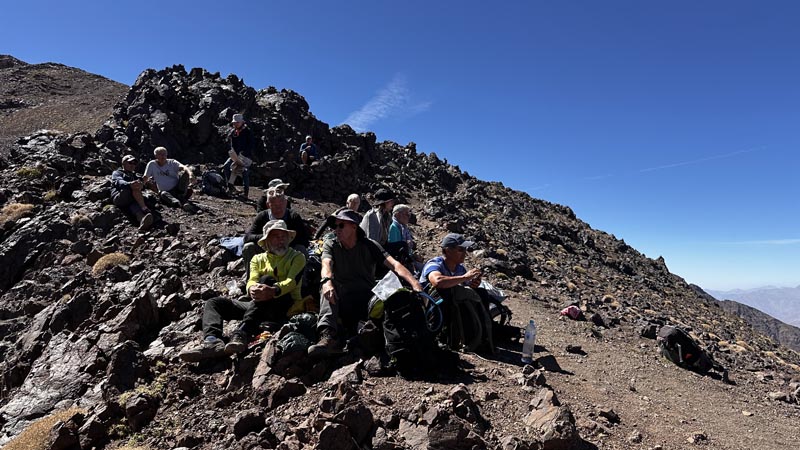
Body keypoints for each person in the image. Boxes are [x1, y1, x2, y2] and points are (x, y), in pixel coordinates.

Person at [179, 220, 306, 361]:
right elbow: (251, 279)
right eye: (276, 236)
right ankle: (212, 341)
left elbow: (291, 282)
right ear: (266, 241)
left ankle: (242, 331)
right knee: (214, 303)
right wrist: (252, 288)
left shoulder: (297, 257)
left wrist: (273, 290)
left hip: (285, 306)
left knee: (266, 281)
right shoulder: (257, 259)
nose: (281, 240)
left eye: (283, 236)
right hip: (258, 305)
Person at [308, 209, 423, 357]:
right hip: (342, 297)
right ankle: (327, 335)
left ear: (354, 226)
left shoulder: (370, 245)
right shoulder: (331, 244)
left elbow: (395, 265)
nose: (336, 230)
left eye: (341, 226)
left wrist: (415, 284)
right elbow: (326, 265)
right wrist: (327, 281)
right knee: (328, 286)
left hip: (366, 298)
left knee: (391, 288)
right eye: (335, 227)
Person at [420, 233, 494, 353]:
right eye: (460, 249)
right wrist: (465, 278)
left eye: (465, 249)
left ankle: (479, 335)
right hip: (429, 306)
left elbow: (462, 287)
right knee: (443, 293)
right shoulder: (435, 264)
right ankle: (437, 334)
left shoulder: (459, 268)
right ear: (448, 251)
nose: (464, 253)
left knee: (480, 293)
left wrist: (472, 284)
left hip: (452, 306)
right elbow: (437, 282)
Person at [243, 179, 310, 279]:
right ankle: (252, 283)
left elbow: (305, 240)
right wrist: (268, 239)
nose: (278, 208)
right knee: (248, 247)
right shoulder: (263, 216)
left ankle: (299, 284)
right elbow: (248, 237)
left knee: (301, 250)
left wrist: (285, 240)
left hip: (287, 253)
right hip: (266, 253)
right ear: (268, 205)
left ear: (285, 203)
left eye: (281, 204)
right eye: (274, 204)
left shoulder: (293, 217)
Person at [143, 146, 196, 212]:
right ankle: (179, 203)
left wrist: (190, 174)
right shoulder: (152, 164)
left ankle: (182, 197)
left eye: (164, 154)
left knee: (186, 172)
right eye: (160, 154)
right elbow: (145, 177)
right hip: (166, 192)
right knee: (163, 194)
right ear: (156, 156)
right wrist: (141, 186)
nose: (163, 156)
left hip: (178, 188)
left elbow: (184, 167)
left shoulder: (172, 162)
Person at [110, 155, 154, 231]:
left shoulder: (135, 175)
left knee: (135, 208)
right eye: (130, 163)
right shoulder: (117, 173)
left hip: (131, 199)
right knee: (134, 188)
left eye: (134, 163)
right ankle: (145, 208)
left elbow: (142, 184)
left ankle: (143, 221)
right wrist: (130, 184)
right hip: (120, 197)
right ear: (124, 163)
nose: (133, 165)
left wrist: (142, 184)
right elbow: (119, 182)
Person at [223, 113, 255, 197]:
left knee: (244, 172)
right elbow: (231, 144)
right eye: (234, 123)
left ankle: (245, 193)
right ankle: (230, 187)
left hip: (245, 156)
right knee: (226, 166)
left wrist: (244, 153)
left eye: (237, 122)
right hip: (235, 156)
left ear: (242, 122)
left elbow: (251, 145)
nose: (235, 124)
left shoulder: (248, 132)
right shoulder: (233, 132)